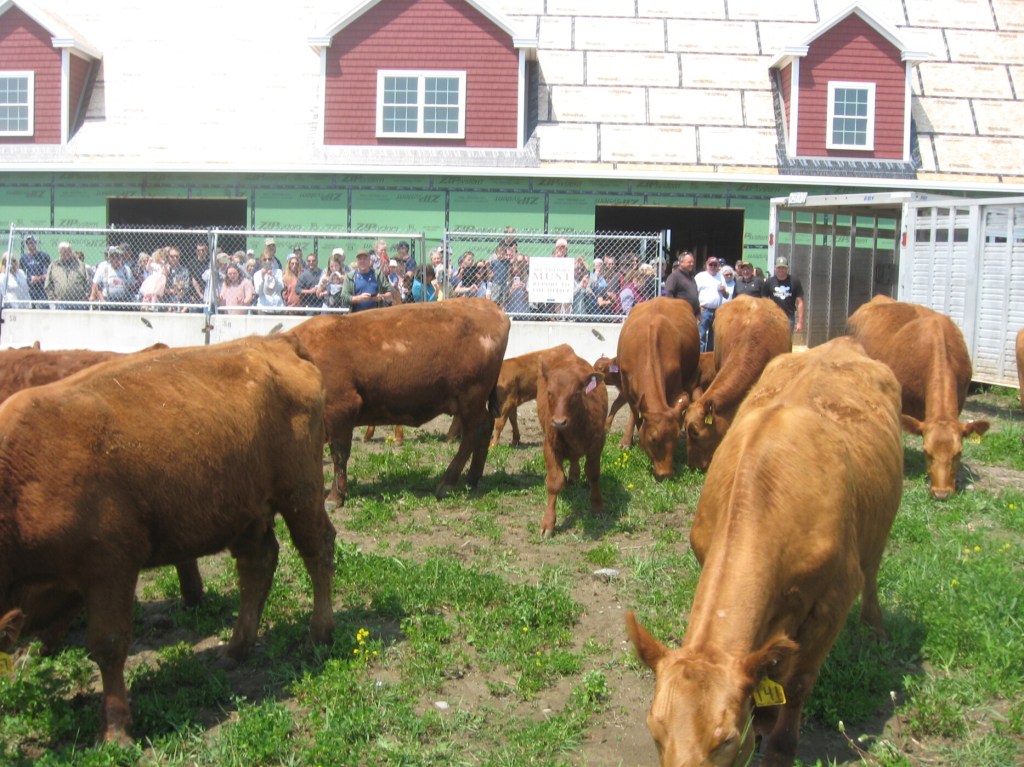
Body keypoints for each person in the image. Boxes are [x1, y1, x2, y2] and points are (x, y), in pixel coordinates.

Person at [763, 256, 805, 333]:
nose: (781, 270)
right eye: (779, 267)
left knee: (787, 342)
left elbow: (800, 302)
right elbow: (763, 302)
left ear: (787, 268)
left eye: (783, 268)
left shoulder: (795, 281)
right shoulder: (769, 282)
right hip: (773, 318)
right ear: (775, 268)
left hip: (788, 318)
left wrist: (800, 322)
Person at [695, 256, 727, 352]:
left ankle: (710, 359)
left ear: (718, 266)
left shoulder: (721, 277)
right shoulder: (700, 276)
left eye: (715, 265)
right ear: (706, 265)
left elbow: (726, 295)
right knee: (702, 336)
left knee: (713, 338)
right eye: (711, 264)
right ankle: (700, 360)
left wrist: (723, 290)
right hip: (704, 310)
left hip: (717, 311)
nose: (713, 267)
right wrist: (698, 307)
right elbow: (694, 293)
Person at [663, 250, 699, 316]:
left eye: (693, 262)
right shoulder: (674, 276)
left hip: (691, 314)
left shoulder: (691, 277)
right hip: (680, 315)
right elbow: (668, 294)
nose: (692, 264)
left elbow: (695, 295)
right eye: (689, 262)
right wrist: (676, 309)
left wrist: (698, 312)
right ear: (681, 263)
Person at [19, 235, 50, 306]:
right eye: (28, 243)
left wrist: (38, 278)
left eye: (33, 242)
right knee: (30, 309)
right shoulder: (24, 258)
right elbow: (21, 273)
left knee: (44, 307)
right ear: (26, 244)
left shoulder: (44, 256)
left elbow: (49, 273)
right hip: (30, 289)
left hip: (42, 289)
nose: (31, 244)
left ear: (36, 243)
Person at [164, 247, 192, 311]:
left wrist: (176, 290)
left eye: (177, 256)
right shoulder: (163, 270)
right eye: (172, 256)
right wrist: (171, 290)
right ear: (168, 257)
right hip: (166, 298)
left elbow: (185, 288)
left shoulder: (184, 271)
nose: (175, 259)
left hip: (181, 298)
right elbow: (161, 288)